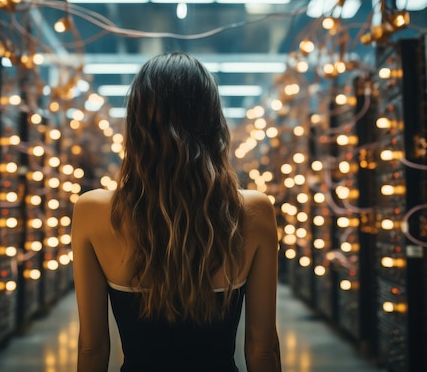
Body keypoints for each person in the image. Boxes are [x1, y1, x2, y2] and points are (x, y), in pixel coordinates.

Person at [70, 51, 281, 372]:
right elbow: (262, 349)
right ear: (213, 123)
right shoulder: (252, 211)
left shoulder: (92, 210)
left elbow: (93, 348)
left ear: (137, 125)